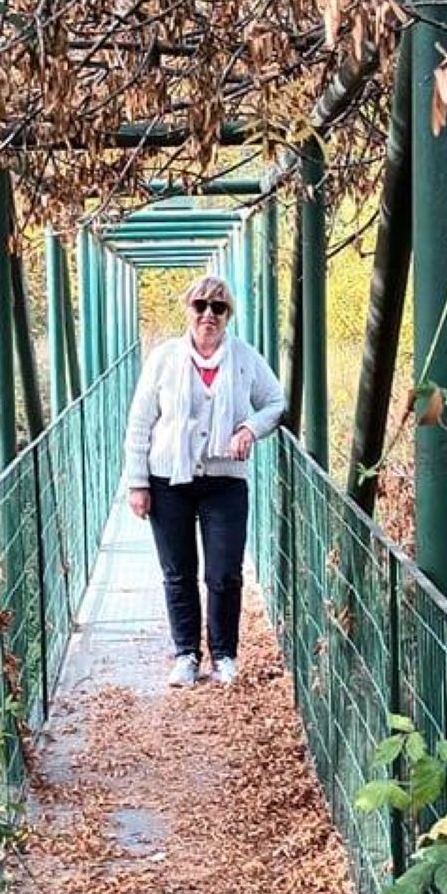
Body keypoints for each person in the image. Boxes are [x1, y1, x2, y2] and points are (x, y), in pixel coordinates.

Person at [122, 275, 287, 687]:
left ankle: (224, 655)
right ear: (188, 310)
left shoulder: (245, 358)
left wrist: (250, 428)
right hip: (168, 480)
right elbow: (140, 423)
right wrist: (137, 483)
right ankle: (185, 655)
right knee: (177, 571)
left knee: (225, 571)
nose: (208, 315)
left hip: (225, 481)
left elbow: (275, 402)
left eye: (218, 307)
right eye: (200, 306)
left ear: (228, 314)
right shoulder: (163, 359)